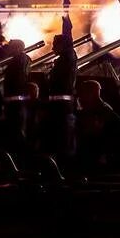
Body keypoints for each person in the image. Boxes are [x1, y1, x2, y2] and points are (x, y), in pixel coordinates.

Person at [43, 13, 77, 160]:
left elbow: (68, 39)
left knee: (63, 143)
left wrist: (66, 16)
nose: (52, 49)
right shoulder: (63, 59)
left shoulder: (69, 57)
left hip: (63, 109)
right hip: (56, 108)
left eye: (55, 45)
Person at [1, 39, 33, 151]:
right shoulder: (18, 60)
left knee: (17, 133)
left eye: (11, 47)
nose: (9, 49)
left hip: (17, 105)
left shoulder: (20, 60)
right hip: (15, 104)